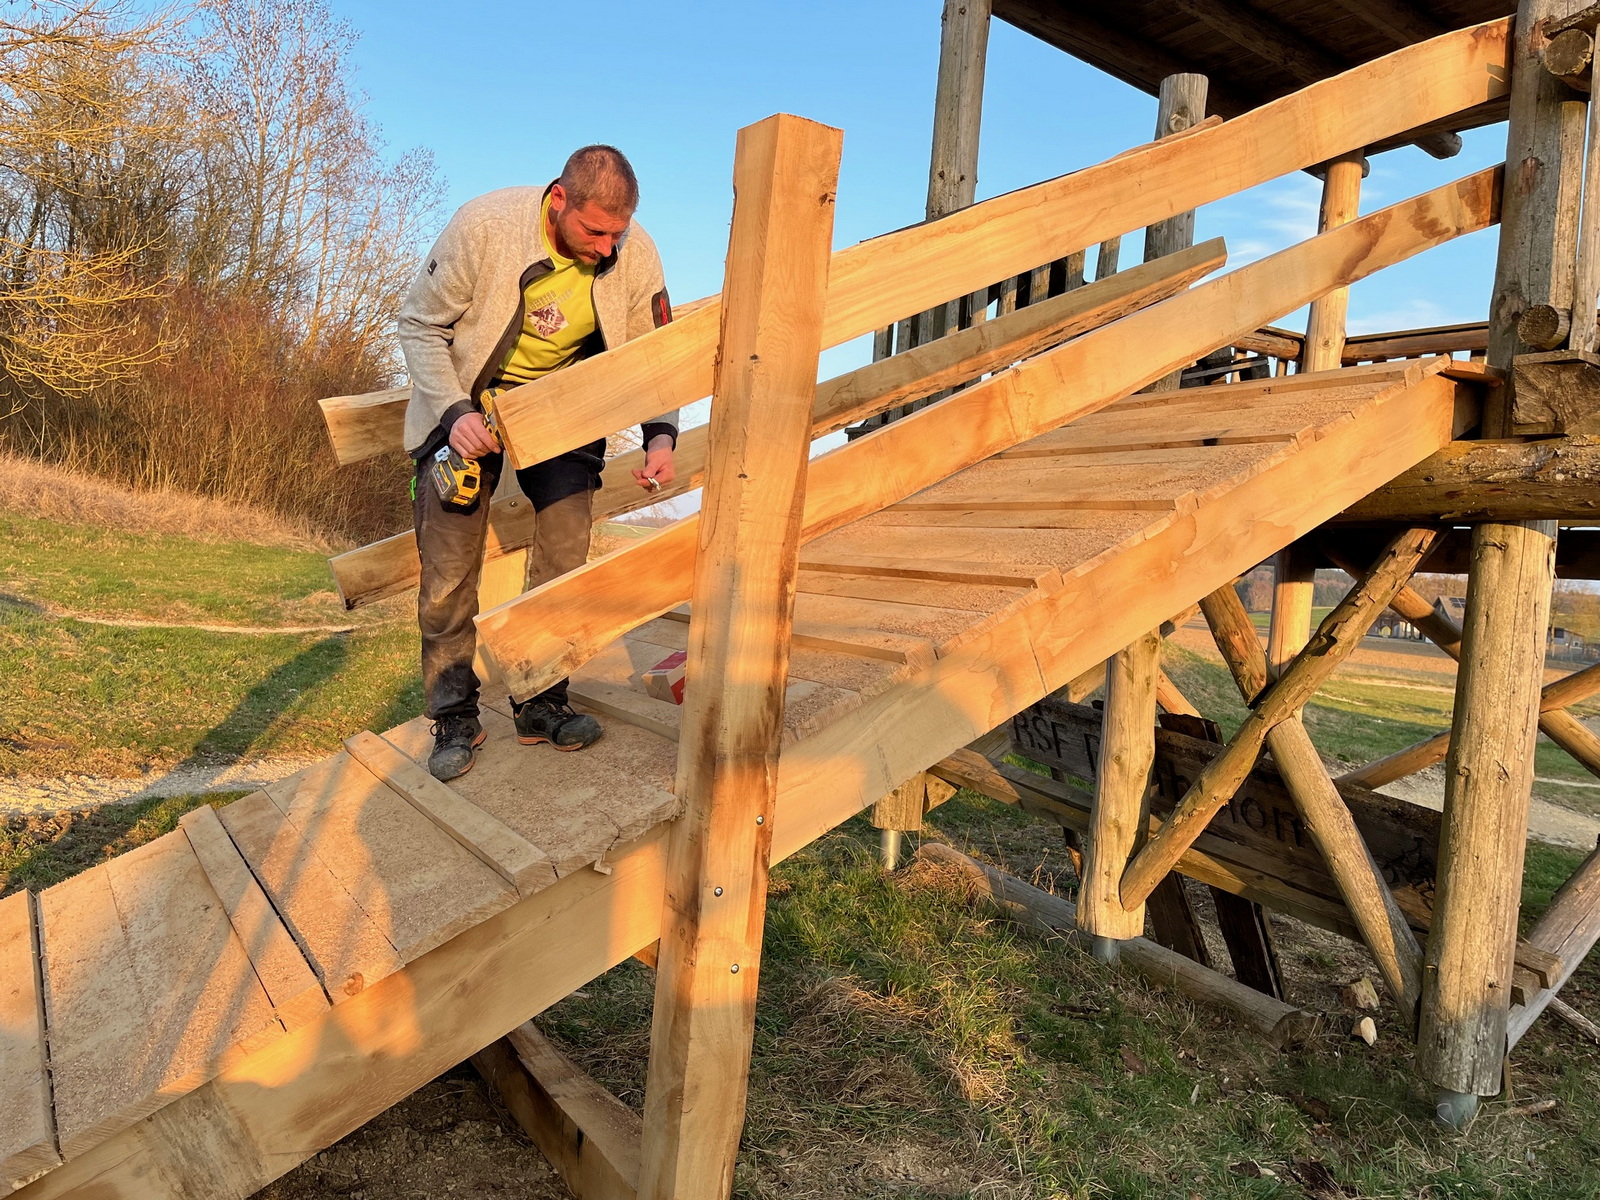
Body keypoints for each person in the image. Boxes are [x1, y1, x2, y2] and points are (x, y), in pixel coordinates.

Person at [397, 145, 677, 781]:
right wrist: (451, 414)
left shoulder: (636, 253)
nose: (608, 248)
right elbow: (418, 325)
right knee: (448, 573)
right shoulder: (484, 227)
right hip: (466, 408)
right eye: (595, 232)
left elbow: (656, 353)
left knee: (563, 555)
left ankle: (541, 697)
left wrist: (661, 434)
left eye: (618, 232)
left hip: (561, 413)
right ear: (559, 200)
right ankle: (454, 714)